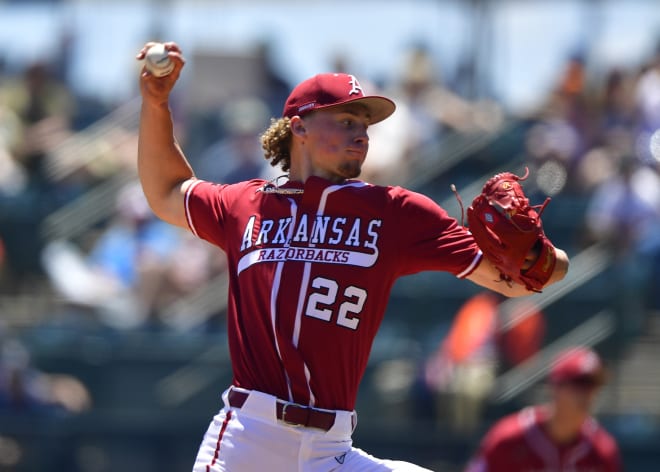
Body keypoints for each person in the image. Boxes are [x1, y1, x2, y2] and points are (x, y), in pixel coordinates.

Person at [135, 41, 569, 472]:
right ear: (299, 127)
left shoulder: (395, 212)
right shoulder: (243, 204)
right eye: (345, 121)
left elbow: (518, 278)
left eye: (364, 125)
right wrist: (156, 105)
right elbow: (166, 192)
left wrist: (536, 252)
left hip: (331, 450)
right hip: (250, 441)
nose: (360, 134)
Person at [464, 346, 622, 472]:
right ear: (555, 388)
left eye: (594, 386)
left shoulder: (602, 450)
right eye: (580, 384)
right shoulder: (509, 439)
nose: (588, 394)